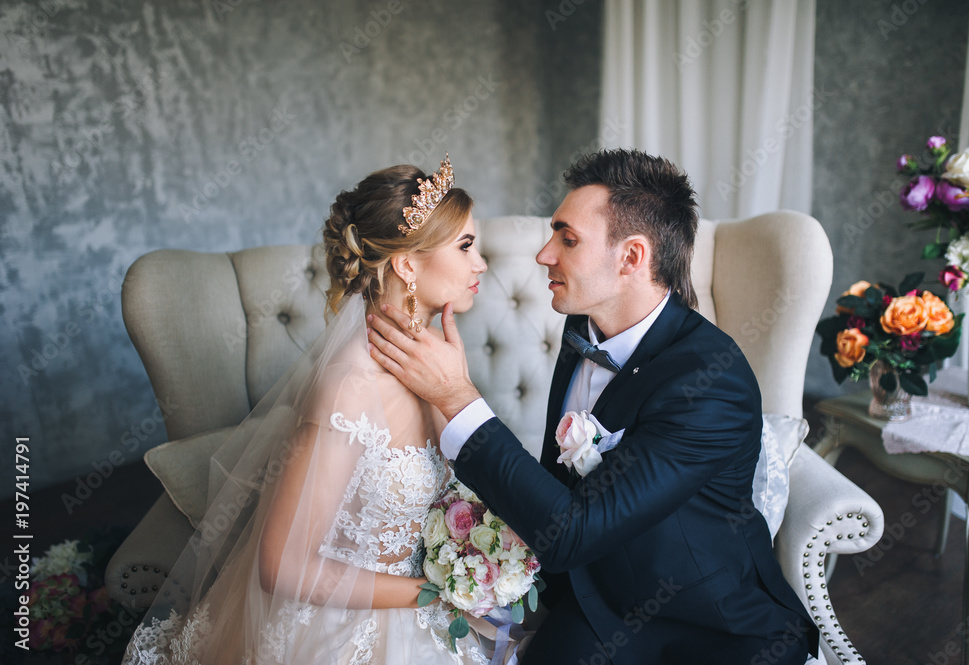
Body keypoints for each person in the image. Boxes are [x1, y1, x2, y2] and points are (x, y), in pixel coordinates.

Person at [367, 149, 820, 664]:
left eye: (568, 238)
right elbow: (556, 484)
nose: (544, 254)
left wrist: (457, 397)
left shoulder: (710, 382)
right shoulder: (581, 329)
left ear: (631, 258)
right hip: (595, 601)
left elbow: (572, 532)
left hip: (707, 626)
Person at [121, 156, 518, 664]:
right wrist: (437, 592)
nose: (480, 263)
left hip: (428, 603)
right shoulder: (350, 387)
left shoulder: (436, 356)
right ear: (406, 264)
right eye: (465, 246)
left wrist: (457, 390)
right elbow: (282, 565)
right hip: (351, 626)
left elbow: (471, 475)